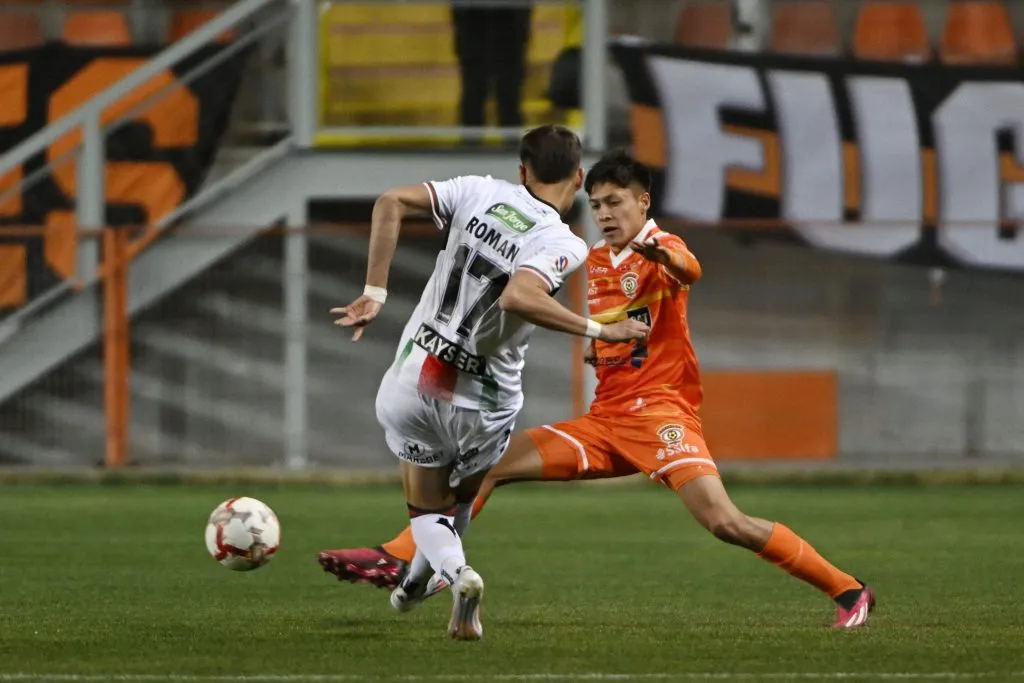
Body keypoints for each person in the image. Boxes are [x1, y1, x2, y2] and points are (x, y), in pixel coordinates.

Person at [320, 150, 876, 630]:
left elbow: (689, 270)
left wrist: (664, 256)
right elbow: (622, 327)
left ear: (643, 203)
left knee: (725, 523)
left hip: (660, 418)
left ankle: (849, 591)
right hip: (606, 421)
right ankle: (411, 561)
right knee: (486, 468)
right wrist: (599, 348)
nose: (605, 213)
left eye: (616, 202)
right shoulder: (597, 260)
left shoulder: (659, 246)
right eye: (598, 204)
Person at [329, 128, 650, 640]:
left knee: (426, 509)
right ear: (578, 178)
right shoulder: (564, 242)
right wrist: (599, 329)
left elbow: (390, 201)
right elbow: (519, 296)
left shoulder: (476, 190)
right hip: (484, 400)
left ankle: (444, 578)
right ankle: (434, 581)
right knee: (459, 503)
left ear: (522, 171)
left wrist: (375, 291)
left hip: (418, 376)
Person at [451, 0, 533, 129]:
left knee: (509, 98)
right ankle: (471, 138)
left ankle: (511, 137)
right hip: (474, 27)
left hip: (509, 28)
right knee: (474, 96)